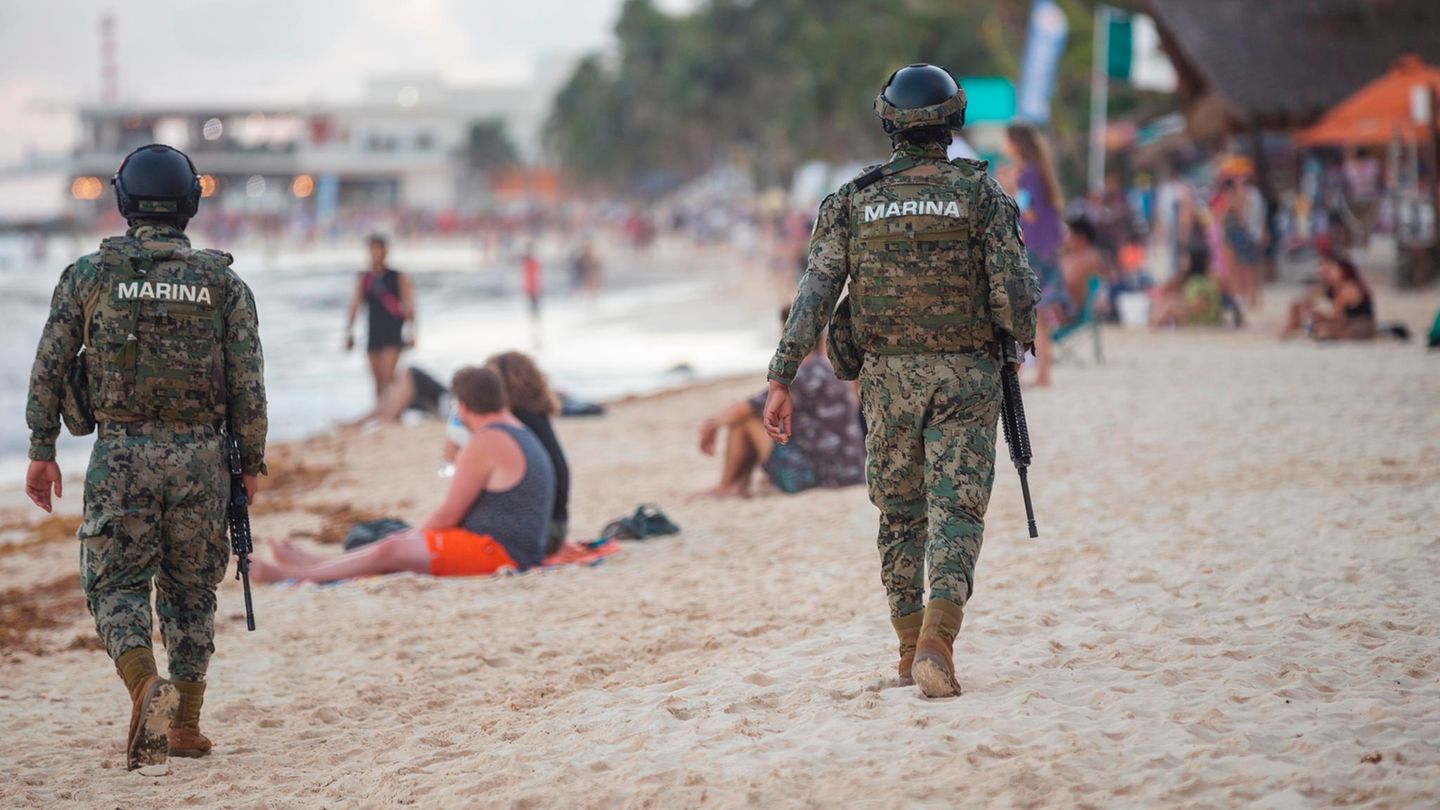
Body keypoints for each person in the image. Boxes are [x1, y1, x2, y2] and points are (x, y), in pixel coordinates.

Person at [762, 64, 1039, 698]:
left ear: (889, 122)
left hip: (885, 382)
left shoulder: (853, 199)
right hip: (968, 374)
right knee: (956, 508)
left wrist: (781, 378)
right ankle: (940, 639)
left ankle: (908, 642)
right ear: (954, 121)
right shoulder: (982, 194)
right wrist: (1016, 343)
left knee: (899, 511)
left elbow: (815, 296)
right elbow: (1015, 296)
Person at [23, 144, 268, 770]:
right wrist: (250, 464)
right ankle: (184, 724)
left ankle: (142, 683)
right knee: (192, 590)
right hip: (203, 459)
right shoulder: (223, 284)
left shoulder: (89, 275)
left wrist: (41, 448)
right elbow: (248, 384)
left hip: (122, 454)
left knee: (115, 582)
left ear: (124, 201)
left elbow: (50, 364)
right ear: (190, 203)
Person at [253, 366, 554, 583]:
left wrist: (411, 536)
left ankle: (292, 575)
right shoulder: (516, 430)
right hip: (507, 545)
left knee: (393, 546)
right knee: (394, 543)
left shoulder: (486, 441)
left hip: (499, 552)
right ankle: (316, 563)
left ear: (461, 408)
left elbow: (449, 513)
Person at [696, 306, 865, 498]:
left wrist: (711, 425)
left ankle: (726, 487)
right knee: (763, 416)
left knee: (747, 419)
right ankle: (738, 486)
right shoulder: (829, 370)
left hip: (816, 479)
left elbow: (743, 409)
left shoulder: (804, 376)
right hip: (851, 473)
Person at [444, 352, 571, 556]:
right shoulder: (533, 420)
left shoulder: (509, 428)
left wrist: (455, 430)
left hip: (538, 535)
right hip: (556, 527)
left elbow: (457, 466)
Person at [1003, 124, 1066, 386]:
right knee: (1042, 313)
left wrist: (1008, 186)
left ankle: (1030, 373)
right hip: (1048, 248)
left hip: (1033, 249)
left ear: (1016, 144)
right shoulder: (1040, 170)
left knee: (1026, 312)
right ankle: (1043, 373)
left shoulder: (1027, 173)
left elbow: (1025, 211)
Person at [345, 235, 415, 399]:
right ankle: (383, 417)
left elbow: (409, 305)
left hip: (393, 330)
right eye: (372, 250)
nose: (375, 254)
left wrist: (411, 331)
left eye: (378, 250)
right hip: (373, 331)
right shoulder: (364, 278)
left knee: (388, 376)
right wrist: (349, 331)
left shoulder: (398, 277)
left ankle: (392, 414)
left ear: (385, 252)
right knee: (377, 380)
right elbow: (355, 304)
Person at [1281, 253, 1376, 341]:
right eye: (1322, 273)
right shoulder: (1330, 286)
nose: (1324, 276)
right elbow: (1303, 301)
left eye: (1328, 272)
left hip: (1359, 326)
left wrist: (1320, 316)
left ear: (1343, 271)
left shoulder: (1348, 288)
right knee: (1301, 309)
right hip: (1344, 322)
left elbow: (1338, 317)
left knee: (1322, 329)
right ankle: (1288, 331)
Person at [339, 366, 449, 429]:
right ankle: (358, 423)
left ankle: (363, 423)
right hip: (439, 404)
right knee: (399, 386)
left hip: (444, 403)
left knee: (408, 374)